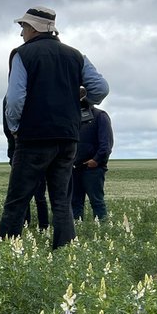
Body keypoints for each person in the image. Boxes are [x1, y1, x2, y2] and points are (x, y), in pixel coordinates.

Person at [0, 6, 109, 249]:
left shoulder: (22, 54)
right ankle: (64, 252)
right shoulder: (75, 55)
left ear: (34, 28)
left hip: (34, 137)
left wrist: (15, 127)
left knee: (17, 199)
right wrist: (80, 98)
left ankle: (4, 252)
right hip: (68, 137)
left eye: (24, 27)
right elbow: (101, 89)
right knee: (61, 199)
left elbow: (15, 99)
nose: (21, 33)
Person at [70, 87, 113, 221]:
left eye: (82, 96)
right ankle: (77, 233)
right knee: (75, 202)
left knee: (97, 202)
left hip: (92, 168)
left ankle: (103, 230)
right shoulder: (71, 117)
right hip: (74, 168)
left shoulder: (100, 116)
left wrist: (96, 160)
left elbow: (106, 144)